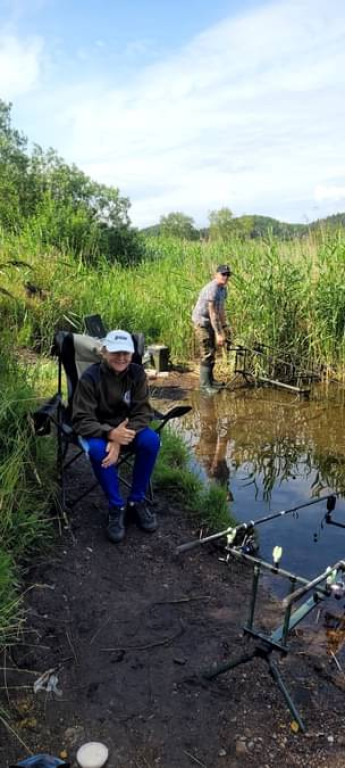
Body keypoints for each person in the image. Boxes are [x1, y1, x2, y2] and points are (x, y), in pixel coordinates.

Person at [72, 329, 160, 544]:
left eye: (126, 353)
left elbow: (143, 413)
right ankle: (116, 506)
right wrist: (110, 434)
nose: (121, 358)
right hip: (97, 429)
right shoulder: (90, 377)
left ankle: (136, 502)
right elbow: (81, 419)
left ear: (132, 354)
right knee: (97, 450)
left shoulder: (137, 374)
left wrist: (119, 440)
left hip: (126, 428)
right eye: (115, 352)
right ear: (104, 351)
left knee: (151, 441)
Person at [192, 264, 232, 393]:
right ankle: (205, 387)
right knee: (207, 352)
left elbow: (221, 310)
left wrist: (225, 326)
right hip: (202, 322)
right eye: (223, 274)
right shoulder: (212, 288)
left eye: (227, 275)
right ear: (216, 274)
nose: (225, 277)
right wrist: (219, 333)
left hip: (211, 322)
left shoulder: (223, 289)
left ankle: (211, 381)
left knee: (212, 350)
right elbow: (212, 313)